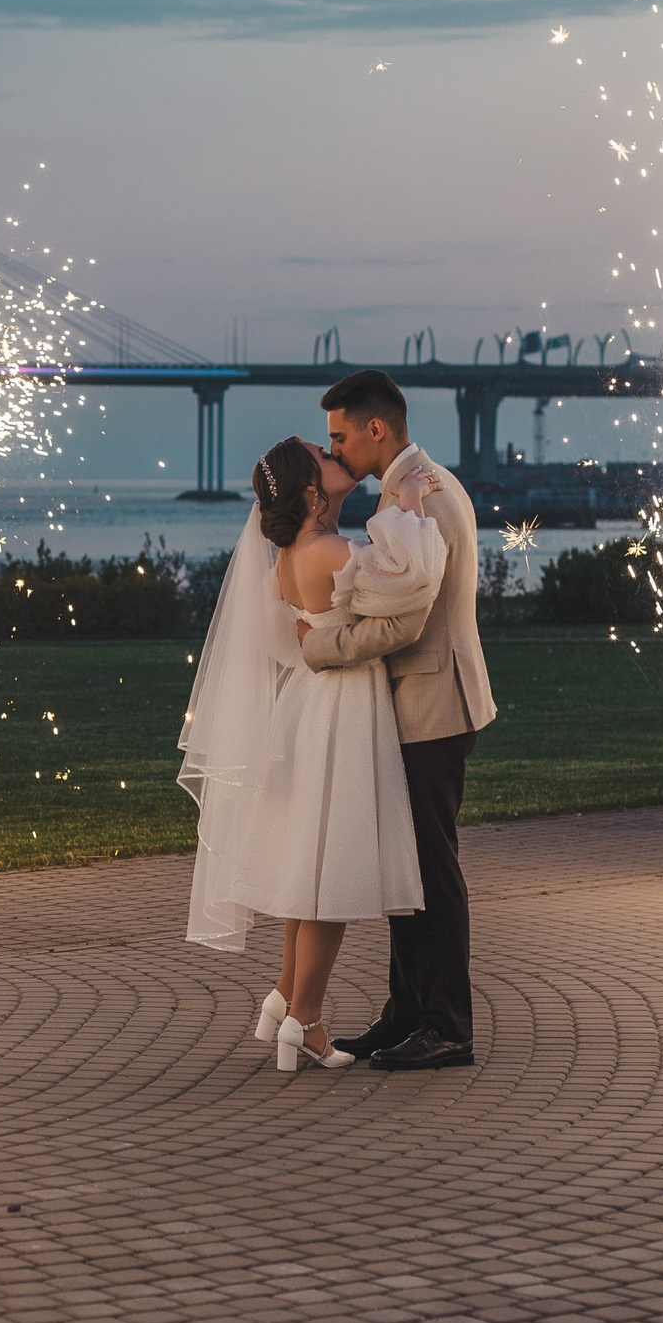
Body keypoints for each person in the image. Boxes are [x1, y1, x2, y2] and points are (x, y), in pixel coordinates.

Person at [180, 433, 447, 1072]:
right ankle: (307, 1019)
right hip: (344, 712)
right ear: (309, 490)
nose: (335, 461)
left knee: (309, 867)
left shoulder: (283, 562)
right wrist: (405, 505)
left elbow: (285, 642)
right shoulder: (332, 552)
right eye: (323, 460)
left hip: (307, 706)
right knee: (333, 872)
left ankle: (285, 998)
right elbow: (412, 578)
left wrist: (317, 634)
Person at [304, 369, 495, 1071]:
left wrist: (324, 643)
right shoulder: (413, 489)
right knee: (407, 864)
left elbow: (406, 622)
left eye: (340, 436)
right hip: (425, 700)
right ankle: (407, 1012)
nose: (335, 450)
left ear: (374, 430)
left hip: (434, 702)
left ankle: (447, 1024)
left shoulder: (424, 501)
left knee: (430, 870)